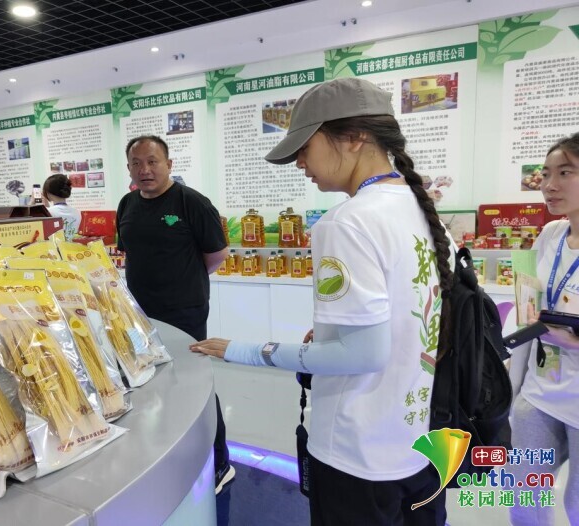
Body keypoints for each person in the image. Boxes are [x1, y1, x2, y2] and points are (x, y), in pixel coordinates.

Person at [189, 78, 453, 525]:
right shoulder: (420, 209)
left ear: (354, 137)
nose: (300, 162)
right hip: (418, 446)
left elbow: (363, 354)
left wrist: (246, 350)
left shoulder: (346, 222)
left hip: (356, 452)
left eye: (305, 147)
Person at [116, 135, 234, 493]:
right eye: (137, 163)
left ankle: (220, 462)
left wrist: (184, 281)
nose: (145, 170)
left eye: (152, 161)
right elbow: (130, 253)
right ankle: (170, 452)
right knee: (150, 383)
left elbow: (217, 255)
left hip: (185, 311)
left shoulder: (191, 202)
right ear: (129, 168)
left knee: (194, 387)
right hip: (139, 315)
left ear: (169, 164)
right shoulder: (127, 204)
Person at [508, 133, 579, 526]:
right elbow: (530, 301)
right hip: (541, 390)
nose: (550, 185)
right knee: (523, 496)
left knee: (576, 505)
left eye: (565, 173)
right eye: (546, 174)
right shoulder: (550, 235)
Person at [43, 173, 82, 241]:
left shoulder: (48, 212)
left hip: (55, 247)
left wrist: (31, 202)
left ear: (48, 193)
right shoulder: (78, 212)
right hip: (74, 247)